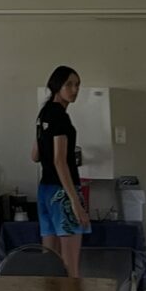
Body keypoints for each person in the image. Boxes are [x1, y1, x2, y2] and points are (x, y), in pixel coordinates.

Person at [35, 65, 89, 276]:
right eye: (69, 84)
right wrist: (75, 201)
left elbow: (35, 155)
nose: (75, 90)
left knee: (50, 261)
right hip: (62, 192)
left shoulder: (44, 113)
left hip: (45, 191)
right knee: (70, 267)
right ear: (57, 86)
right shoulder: (60, 117)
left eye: (77, 85)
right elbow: (60, 160)